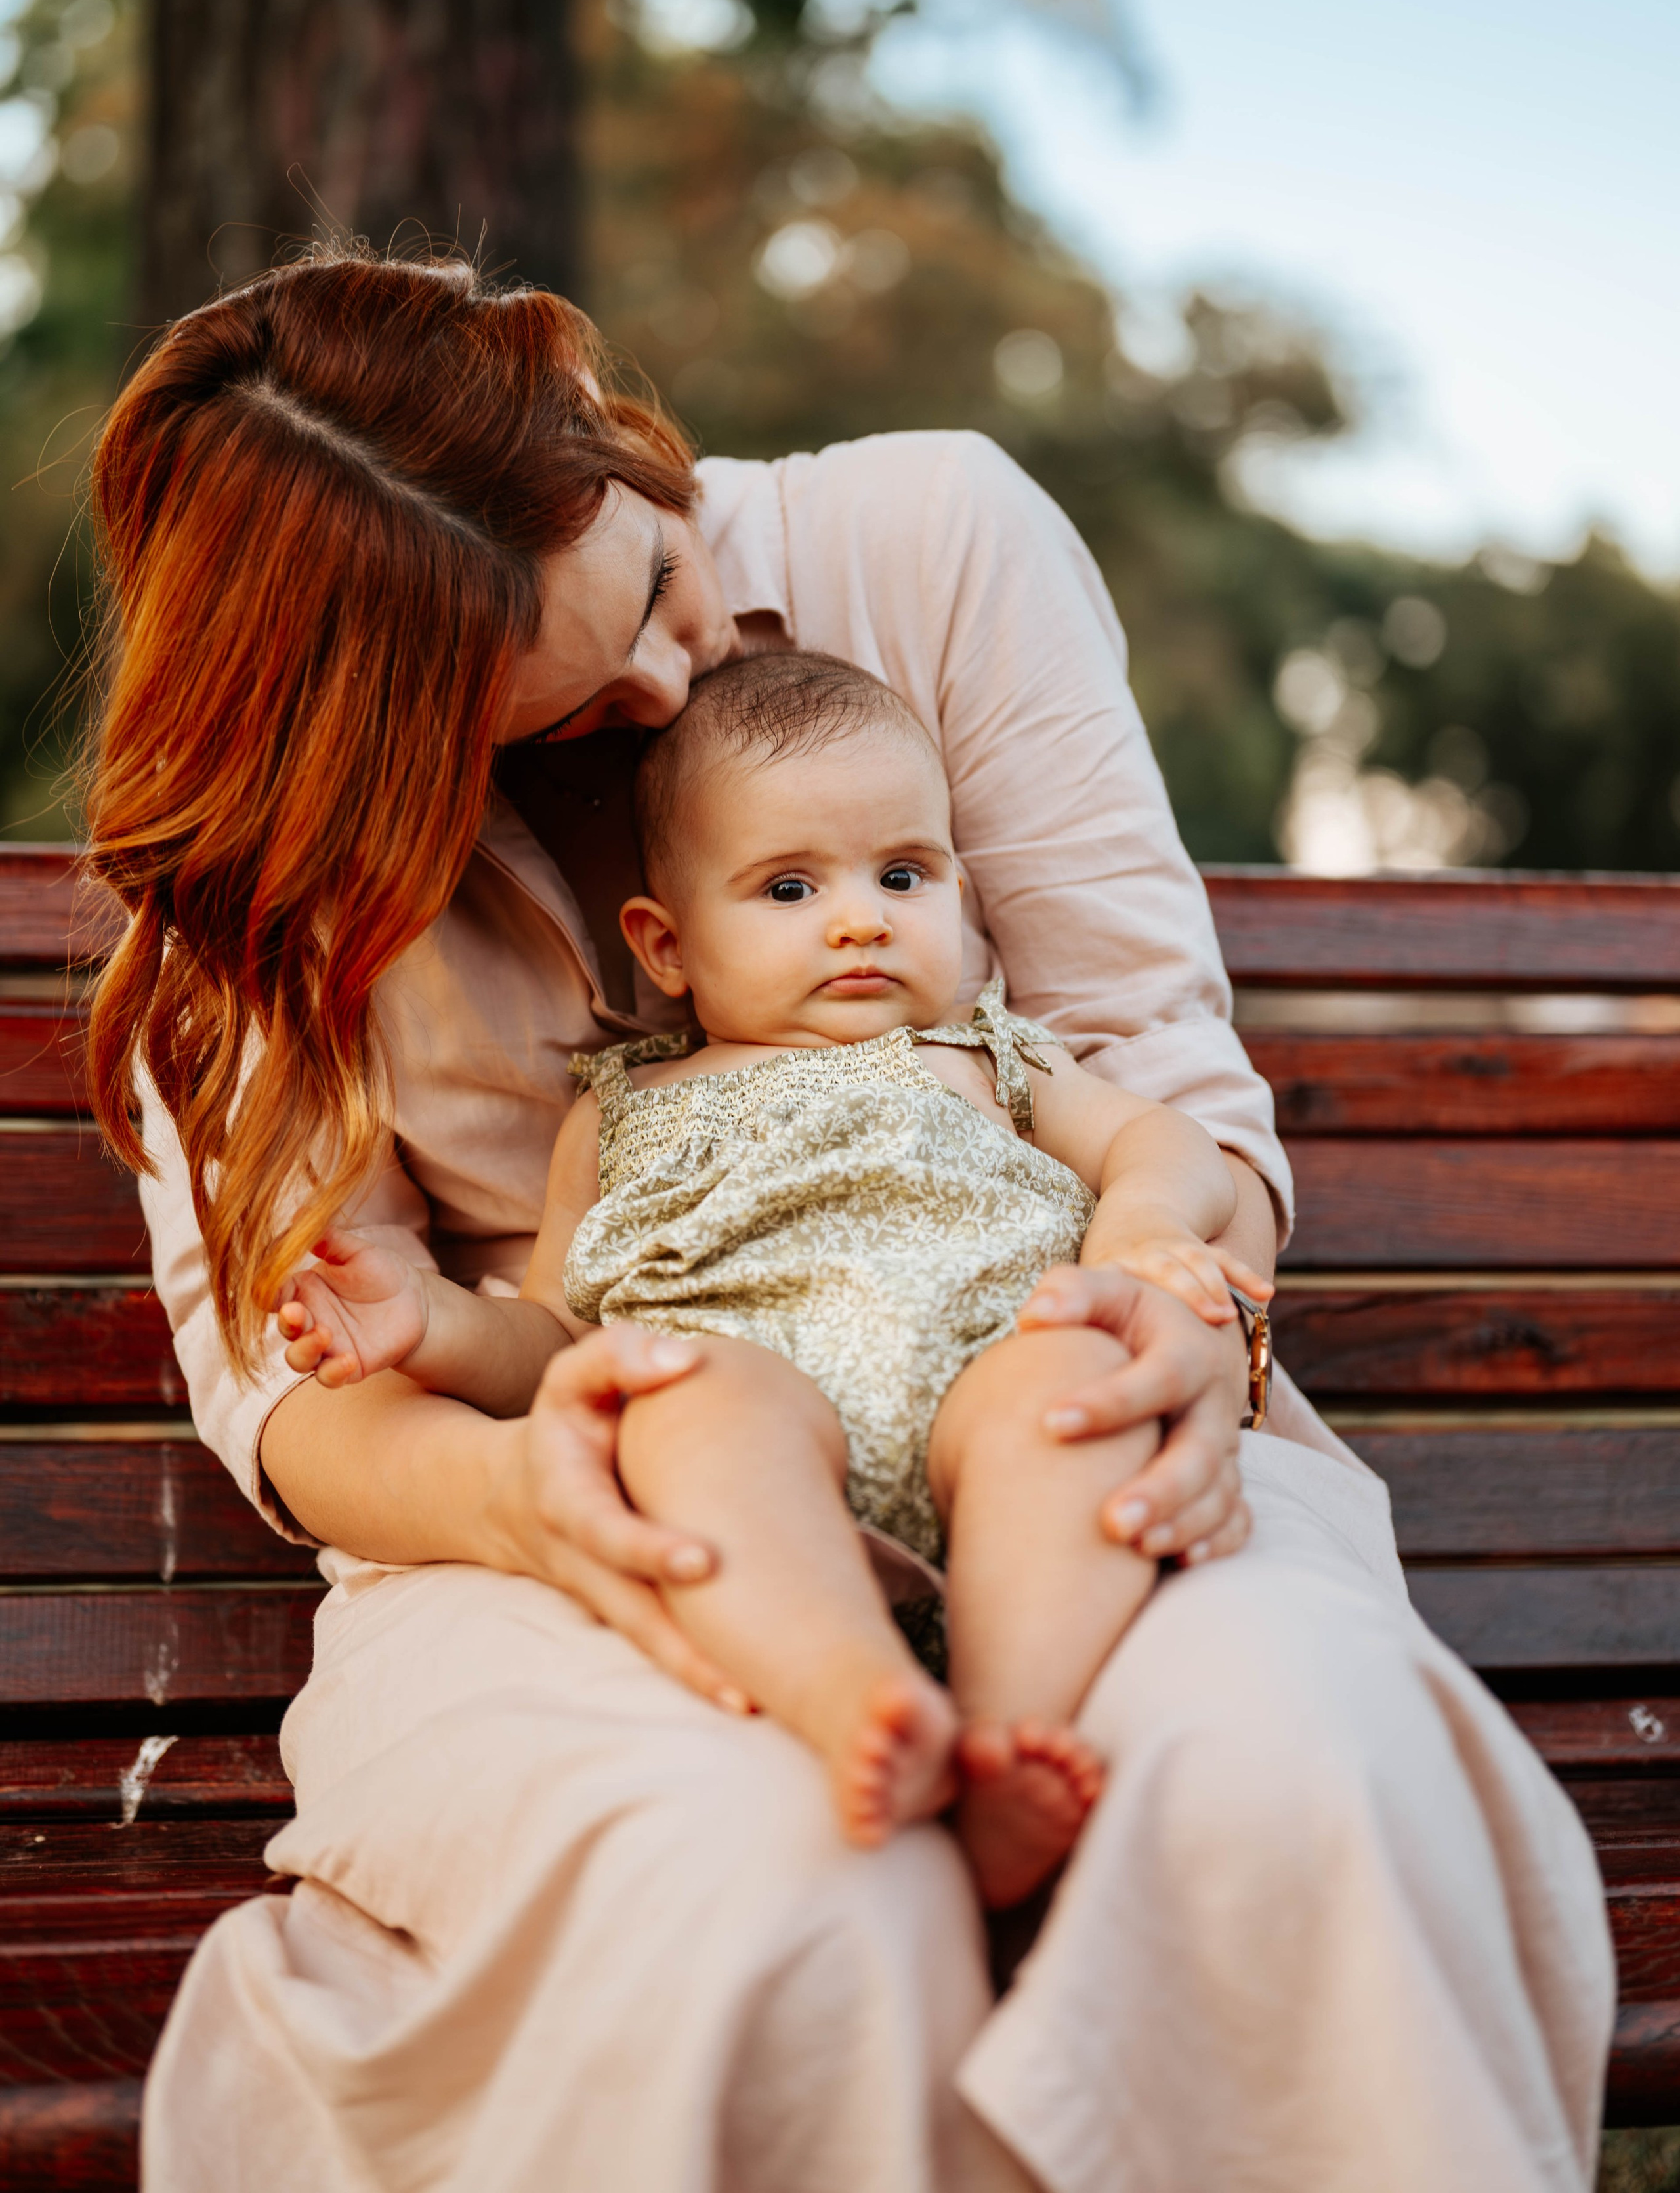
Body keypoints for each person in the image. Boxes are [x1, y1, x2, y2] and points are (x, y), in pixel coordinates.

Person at [87, 248, 1610, 2193]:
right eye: (532, 726)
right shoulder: (246, 878)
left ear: (605, 436)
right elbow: (303, 1403)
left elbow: (1160, 1081)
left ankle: (1041, 1751)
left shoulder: (939, 538)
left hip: (1049, 1372)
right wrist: (525, 1485)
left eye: (645, 588)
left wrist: (1184, 1307)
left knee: (1278, 1768)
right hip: (612, 1472)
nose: (665, 684)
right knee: (782, 1878)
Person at [272, 649, 1276, 1903]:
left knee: (1070, 1389)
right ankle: (855, 1700)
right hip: (760, 1427)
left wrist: (1139, 1224)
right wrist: (430, 1324)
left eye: (904, 876)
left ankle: (1007, 1735)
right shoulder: (623, 1111)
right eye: (790, 886)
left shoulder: (988, 1055)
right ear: (669, 944)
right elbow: (559, 1340)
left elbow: (1165, 1139)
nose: (861, 919)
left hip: (991, 1389)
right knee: (680, 1406)